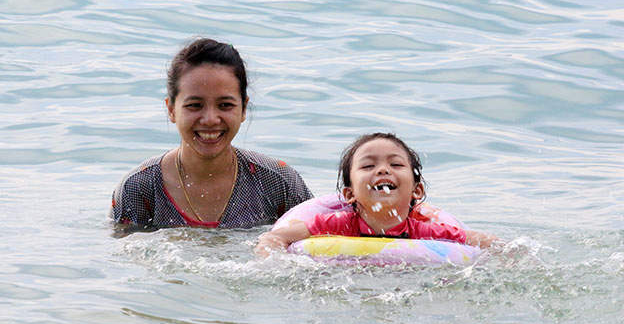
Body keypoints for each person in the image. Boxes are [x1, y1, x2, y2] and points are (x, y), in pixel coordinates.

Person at [111, 38, 313, 235]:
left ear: (243, 109)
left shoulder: (277, 182)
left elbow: (320, 245)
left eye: (225, 105)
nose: (210, 119)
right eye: (194, 105)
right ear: (171, 110)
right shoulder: (140, 188)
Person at [256, 132, 498, 256]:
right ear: (349, 194)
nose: (383, 169)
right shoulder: (335, 225)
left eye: (396, 165)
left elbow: (480, 240)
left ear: (417, 190)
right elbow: (275, 238)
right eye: (368, 166)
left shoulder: (422, 232)